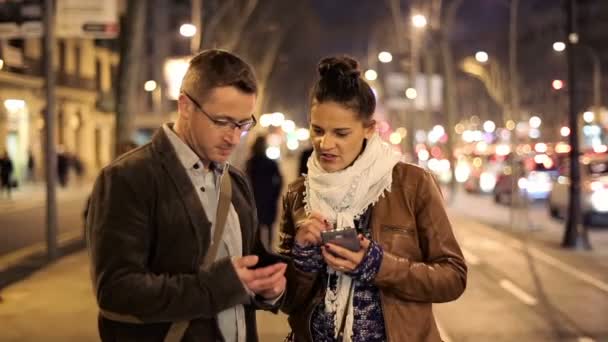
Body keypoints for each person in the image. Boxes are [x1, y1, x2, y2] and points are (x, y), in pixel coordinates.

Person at [86, 49, 287, 342]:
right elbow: (116, 291)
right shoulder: (129, 177)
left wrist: (272, 287)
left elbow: (250, 263)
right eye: (222, 121)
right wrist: (221, 286)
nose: (233, 137)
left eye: (243, 125)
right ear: (185, 106)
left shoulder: (236, 181)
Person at [278, 56, 467, 342]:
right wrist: (303, 259)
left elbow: (453, 278)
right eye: (317, 130)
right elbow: (286, 300)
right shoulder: (297, 194)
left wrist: (377, 264)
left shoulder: (410, 184)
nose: (325, 144)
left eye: (341, 133)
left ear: (369, 129)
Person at [245, 135, 284, 249]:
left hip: (255, 197)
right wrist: (275, 193)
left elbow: (246, 180)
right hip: (269, 198)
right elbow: (280, 179)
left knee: (256, 224)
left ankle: (258, 248)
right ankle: (270, 247)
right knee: (270, 225)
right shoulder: (270, 163)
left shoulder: (250, 163)